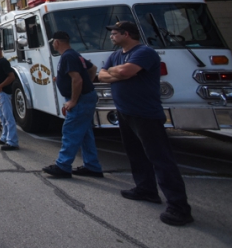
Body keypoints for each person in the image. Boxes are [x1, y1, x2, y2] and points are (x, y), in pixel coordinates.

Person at [98, 21, 193, 226]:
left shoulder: (144, 52)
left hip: (146, 114)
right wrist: (117, 72)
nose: (112, 36)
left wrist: (116, 73)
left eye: (114, 33)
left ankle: (179, 207)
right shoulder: (116, 55)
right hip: (125, 112)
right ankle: (146, 189)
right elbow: (101, 75)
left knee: (160, 159)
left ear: (126, 34)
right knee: (136, 155)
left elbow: (124, 73)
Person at [42, 31, 103, 178]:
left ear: (56, 42)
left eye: (53, 42)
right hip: (86, 97)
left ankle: (63, 165)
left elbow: (77, 79)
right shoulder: (74, 54)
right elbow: (92, 69)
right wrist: (85, 84)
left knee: (71, 131)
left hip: (80, 100)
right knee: (84, 134)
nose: (52, 44)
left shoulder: (68, 56)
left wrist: (74, 99)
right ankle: (92, 166)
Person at [0, 44, 18, 150]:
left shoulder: (4, 62)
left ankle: (12, 141)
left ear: (0, 51)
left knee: (8, 117)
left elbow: (11, 76)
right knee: (3, 117)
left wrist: (1, 86)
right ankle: (4, 137)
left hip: (3, 93)